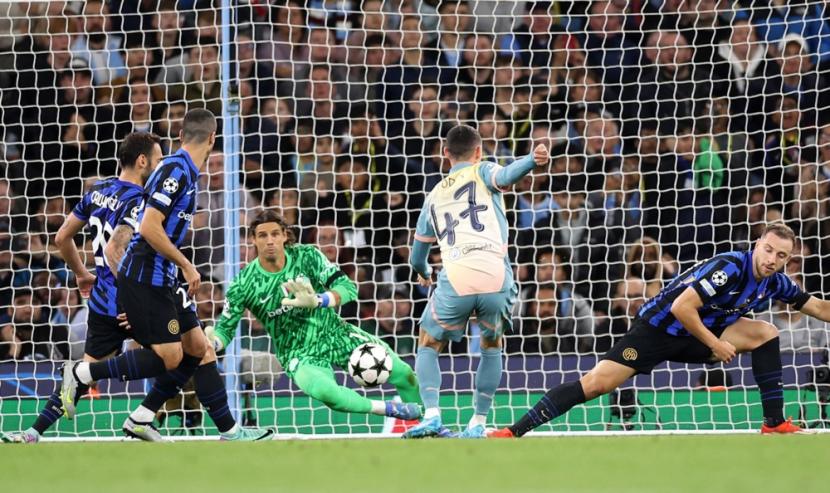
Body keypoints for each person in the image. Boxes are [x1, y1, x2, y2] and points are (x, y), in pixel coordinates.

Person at [490, 223, 824, 438]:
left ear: (787, 260)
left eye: (781, 255)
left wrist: (712, 340)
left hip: (698, 335)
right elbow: (682, 306)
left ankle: (774, 423)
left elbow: (819, 308)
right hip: (656, 331)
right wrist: (716, 345)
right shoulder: (730, 268)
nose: (772, 259)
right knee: (595, 384)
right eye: (768, 250)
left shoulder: (776, 283)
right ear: (757, 244)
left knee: (766, 332)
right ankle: (514, 430)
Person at [59, 109, 271, 441]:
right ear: (213, 138)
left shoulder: (186, 171)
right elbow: (149, 227)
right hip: (148, 273)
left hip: (164, 274)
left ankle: (221, 429)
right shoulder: (176, 170)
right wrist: (186, 263)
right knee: (171, 358)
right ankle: (83, 372)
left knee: (200, 348)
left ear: (182, 135)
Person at [0, 132, 162, 443]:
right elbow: (117, 250)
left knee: (88, 373)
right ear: (142, 161)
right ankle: (141, 420)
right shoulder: (139, 201)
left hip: (100, 296)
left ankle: (33, 433)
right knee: (174, 356)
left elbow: (62, 238)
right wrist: (131, 302)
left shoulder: (98, 191)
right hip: (127, 298)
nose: (159, 166)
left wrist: (82, 274)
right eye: (157, 160)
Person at [204, 210, 422, 421]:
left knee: (404, 373)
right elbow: (225, 329)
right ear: (253, 239)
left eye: (275, 234)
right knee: (329, 394)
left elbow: (347, 288)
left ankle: (427, 424)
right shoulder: (243, 284)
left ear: (284, 235)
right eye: (262, 235)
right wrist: (213, 343)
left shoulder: (307, 256)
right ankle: (390, 409)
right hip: (298, 353)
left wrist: (319, 300)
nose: (269, 241)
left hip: (336, 333)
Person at [404, 124, 549, 438]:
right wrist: (531, 160)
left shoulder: (432, 196)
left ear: (445, 154)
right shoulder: (483, 171)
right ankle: (478, 422)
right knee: (491, 345)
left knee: (428, 342)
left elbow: (417, 257)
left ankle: (431, 415)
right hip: (496, 276)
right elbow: (507, 175)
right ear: (479, 151)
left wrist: (426, 274)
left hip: (456, 278)